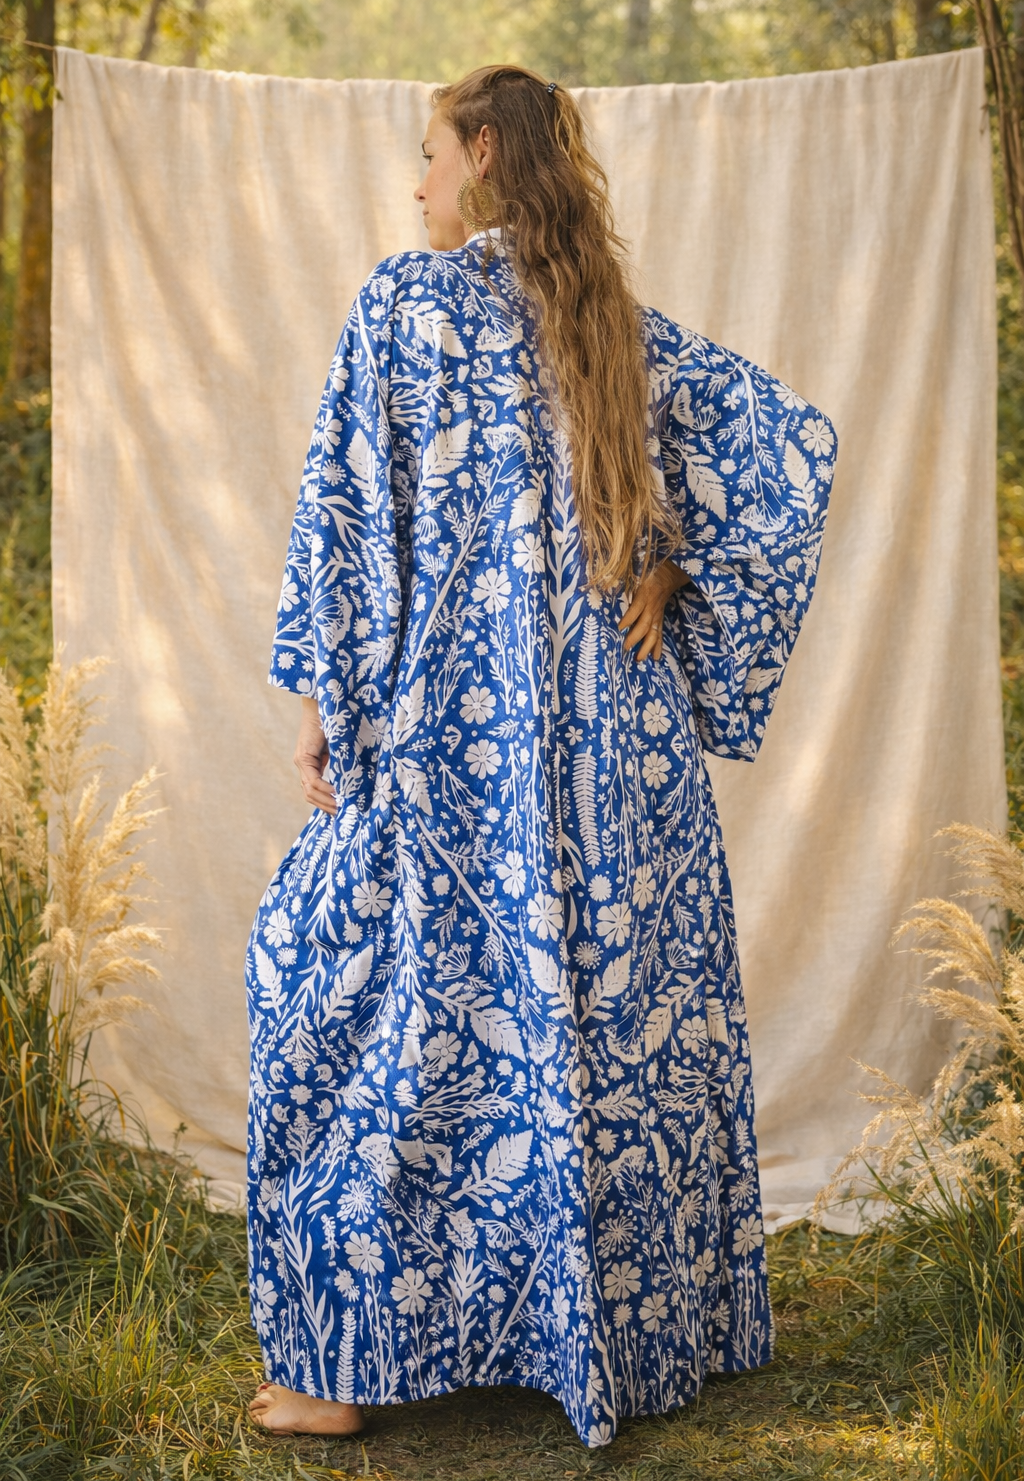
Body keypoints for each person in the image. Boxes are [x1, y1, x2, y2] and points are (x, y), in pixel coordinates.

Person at [246, 65, 834, 1447]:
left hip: (456, 762)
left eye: (430, 155)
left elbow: (349, 514)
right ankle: (615, 1342)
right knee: (600, 1024)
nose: (416, 185)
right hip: (614, 771)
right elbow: (785, 454)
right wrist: (671, 571)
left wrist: (326, 699)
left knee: (393, 1015)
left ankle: (343, 1373)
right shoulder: (610, 322)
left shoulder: (404, 301)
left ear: (485, 151)